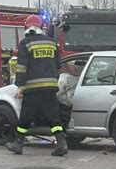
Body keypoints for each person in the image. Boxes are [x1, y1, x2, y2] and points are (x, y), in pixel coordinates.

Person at [5, 15, 68, 156]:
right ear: (42, 27)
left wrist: (19, 87)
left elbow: (21, 67)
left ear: (27, 27)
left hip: (33, 88)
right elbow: (58, 65)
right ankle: (62, 144)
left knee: (26, 116)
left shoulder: (25, 43)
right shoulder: (52, 43)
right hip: (50, 87)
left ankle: (18, 144)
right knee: (54, 117)